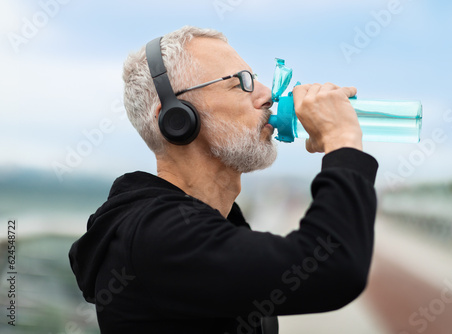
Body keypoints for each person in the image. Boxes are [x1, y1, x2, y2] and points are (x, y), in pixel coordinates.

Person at [69, 26, 378, 334]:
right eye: (241, 83)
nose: (267, 94)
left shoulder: (212, 224)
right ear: (176, 118)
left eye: (256, 78)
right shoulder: (158, 234)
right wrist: (342, 141)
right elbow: (334, 267)